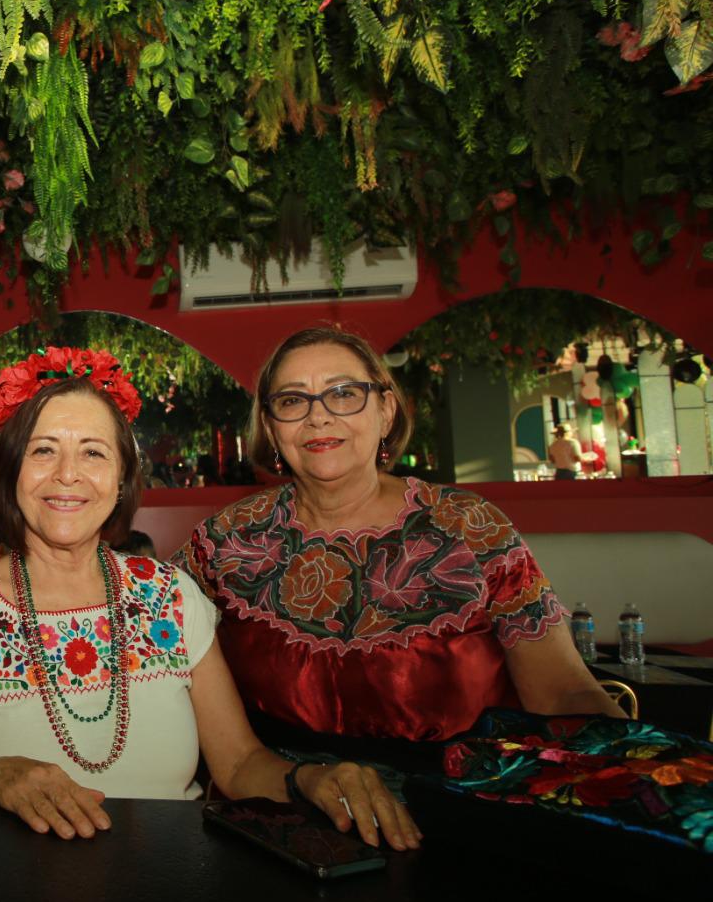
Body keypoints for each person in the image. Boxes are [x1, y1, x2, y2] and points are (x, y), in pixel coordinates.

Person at [0, 347, 418, 848]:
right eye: (43, 450)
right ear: (11, 471)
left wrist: (313, 778)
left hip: (178, 884)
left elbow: (236, 766)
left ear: (120, 479)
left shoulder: (169, 594)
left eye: (92, 452)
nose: (67, 474)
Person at [179, 326, 620, 771]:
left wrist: (632, 768)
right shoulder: (226, 539)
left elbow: (563, 691)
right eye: (293, 401)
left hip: (456, 809)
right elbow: (142, 633)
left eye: (344, 393)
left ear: (386, 411)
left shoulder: (470, 527)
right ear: (271, 428)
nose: (319, 417)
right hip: (280, 803)